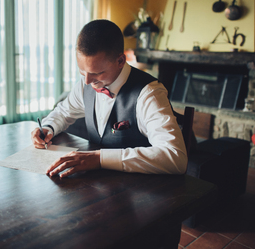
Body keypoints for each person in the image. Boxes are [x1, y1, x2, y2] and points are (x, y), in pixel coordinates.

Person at [31, 19, 187, 178]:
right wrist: (48, 128)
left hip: (141, 188)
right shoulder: (86, 84)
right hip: (95, 184)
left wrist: (100, 158)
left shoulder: (149, 93)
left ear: (120, 61)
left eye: (97, 73)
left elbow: (175, 156)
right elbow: (63, 112)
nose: (87, 81)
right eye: (82, 72)